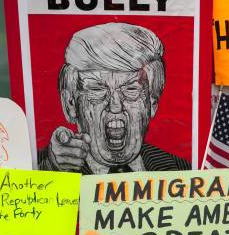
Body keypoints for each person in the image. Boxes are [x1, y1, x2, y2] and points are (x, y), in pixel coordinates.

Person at [38, 22, 190, 174]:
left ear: (152, 102)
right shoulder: (42, 166)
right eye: (96, 89)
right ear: (70, 104)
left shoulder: (184, 170)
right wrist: (52, 168)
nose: (115, 106)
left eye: (131, 89)